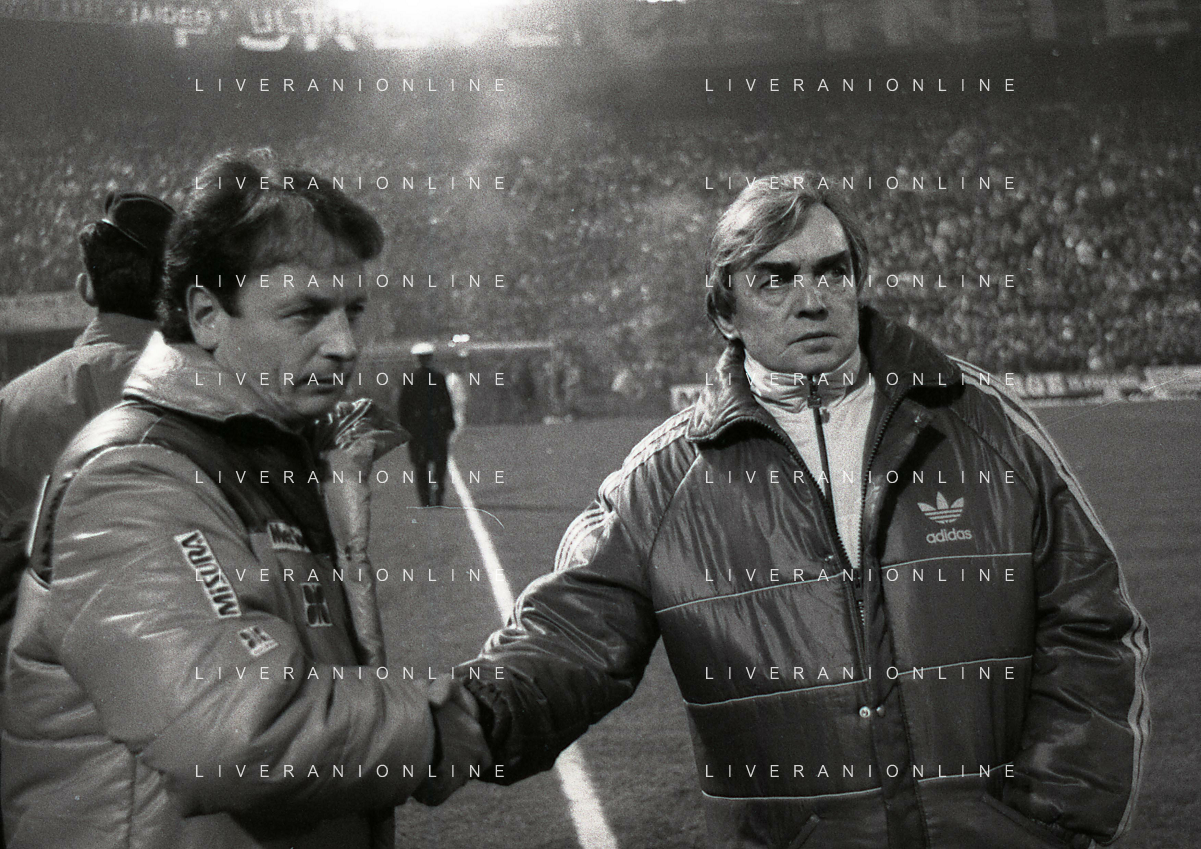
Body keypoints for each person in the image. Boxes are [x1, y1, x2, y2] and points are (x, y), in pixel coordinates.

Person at [447, 174, 1150, 848]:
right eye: (775, 278)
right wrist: (460, 718)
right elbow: (572, 637)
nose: (811, 300)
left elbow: (1092, 623)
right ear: (725, 309)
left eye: (831, 272)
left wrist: (1047, 819)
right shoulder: (662, 482)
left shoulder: (984, 424)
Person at [1, 152, 486, 849]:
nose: (345, 345)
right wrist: (446, 724)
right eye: (306, 312)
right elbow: (241, 732)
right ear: (205, 314)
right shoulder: (132, 472)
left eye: (354, 311)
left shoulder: (265, 445)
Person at [0, 191, 175, 845]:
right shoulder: (215, 401)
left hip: (43, 743)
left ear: (84, 287)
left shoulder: (13, 403)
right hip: (180, 730)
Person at [397, 342, 456, 506]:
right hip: (435, 425)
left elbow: (403, 406)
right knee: (438, 461)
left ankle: (425, 498)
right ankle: (437, 494)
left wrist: (403, 427)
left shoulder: (411, 378)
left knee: (421, 463)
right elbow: (446, 402)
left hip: (418, 426)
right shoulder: (438, 377)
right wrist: (449, 423)